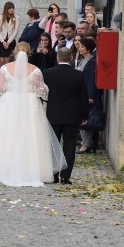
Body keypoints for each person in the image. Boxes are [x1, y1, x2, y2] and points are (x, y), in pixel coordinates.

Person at [0, 43, 67, 187]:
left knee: (6, 133)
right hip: (30, 103)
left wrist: (11, 89)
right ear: (29, 53)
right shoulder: (35, 70)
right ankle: (34, 169)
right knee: (31, 134)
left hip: (9, 102)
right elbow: (42, 91)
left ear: (14, 52)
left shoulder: (4, 68)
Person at [42, 47, 89, 184]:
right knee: (69, 146)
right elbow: (83, 98)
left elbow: (43, 95)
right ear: (71, 58)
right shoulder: (78, 75)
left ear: (57, 58)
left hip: (53, 115)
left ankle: (54, 174)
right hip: (71, 116)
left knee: (53, 146)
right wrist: (84, 115)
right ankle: (65, 176)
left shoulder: (47, 74)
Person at [76, 37, 101, 154]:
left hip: (87, 95)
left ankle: (87, 144)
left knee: (86, 120)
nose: (79, 48)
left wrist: (90, 96)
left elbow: (91, 80)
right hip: (81, 94)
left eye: (82, 46)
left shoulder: (90, 61)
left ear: (88, 48)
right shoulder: (82, 60)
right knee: (82, 119)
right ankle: (86, 143)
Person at [0, 1, 20, 67]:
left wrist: (8, 42)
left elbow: (15, 32)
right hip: (1, 41)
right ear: (6, 9)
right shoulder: (1, 17)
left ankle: (8, 76)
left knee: (8, 62)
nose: (11, 9)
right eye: (9, 8)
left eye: (12, 8)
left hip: (11, 41)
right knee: (2, 61)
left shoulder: (16, 18)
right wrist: (3, 41)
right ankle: (1, 76)